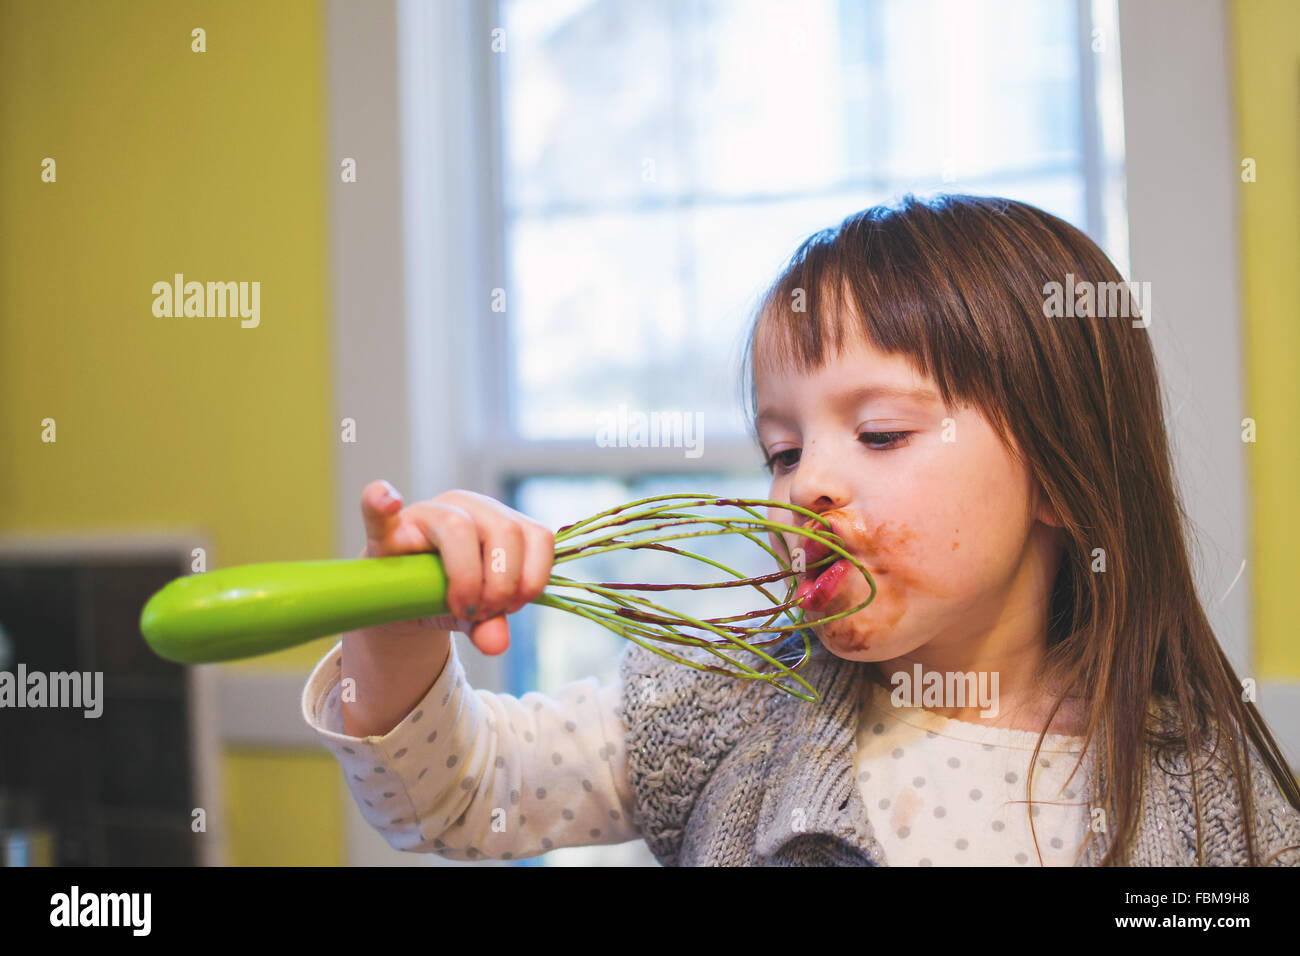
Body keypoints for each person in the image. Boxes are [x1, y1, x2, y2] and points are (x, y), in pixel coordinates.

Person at [300, 193, 1300, 866]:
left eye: (878, 431)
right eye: (782, 450)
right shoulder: (721, 710)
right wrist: (400, 626)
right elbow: (457, 794)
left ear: (1062, 472)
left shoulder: (1215, 800)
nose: (806, 483)